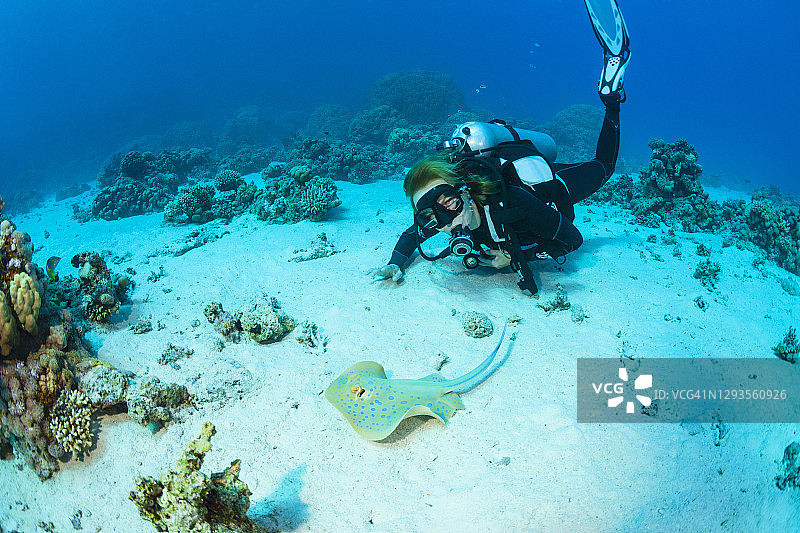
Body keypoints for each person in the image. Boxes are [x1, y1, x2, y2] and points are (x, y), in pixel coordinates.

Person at [372, 0, 630, 295]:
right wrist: (395, 262)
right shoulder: (445, 214)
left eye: (447, 202)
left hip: (545, 186)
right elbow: (411, 235)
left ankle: (611, 104)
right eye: (429, 214)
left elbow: (573, 239)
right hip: (509, 172)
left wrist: (515, 258)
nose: (444, 220)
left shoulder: (512, 202)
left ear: (465, 190)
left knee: (604, 168)